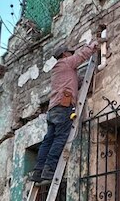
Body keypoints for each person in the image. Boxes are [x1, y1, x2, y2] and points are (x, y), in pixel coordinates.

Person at [28, 38, 101, 186]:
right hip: (63, 107)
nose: (71, 55)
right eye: (70, 53)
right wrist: (94, 44)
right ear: (65, 54)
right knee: (60, 138)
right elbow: (81, 56)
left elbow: (75, 82)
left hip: (53, 109)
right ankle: (49, 169)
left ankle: (38, 171)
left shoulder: (59, 71)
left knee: (48, 140)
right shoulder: (65, 63)